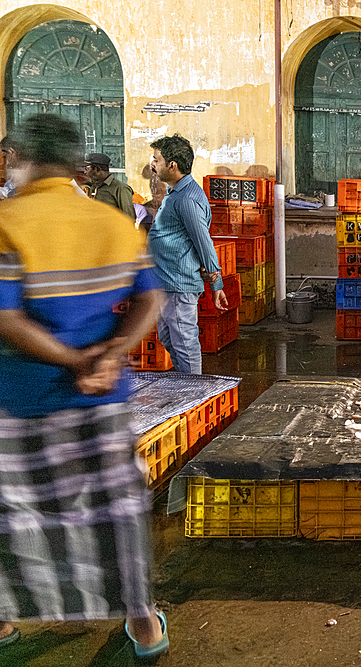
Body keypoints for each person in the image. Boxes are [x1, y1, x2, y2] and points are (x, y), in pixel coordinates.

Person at [0, 114, 168, 659]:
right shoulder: (112, 224)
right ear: (77, 166)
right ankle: (144, 626)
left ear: (19, 159)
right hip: (102, 397)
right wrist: (107, 355)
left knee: (18, 510)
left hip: (20, 398)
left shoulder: (6, 222)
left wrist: (72, 360)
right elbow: (151, 300)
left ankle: (5, 621)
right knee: (116, 508)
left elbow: (6, 319)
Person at [147, 134, 227, 374]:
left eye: (156, 159)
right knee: (168, 338)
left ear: (172, 165)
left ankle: (195, 394)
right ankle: (187, 384)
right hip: (166, 281)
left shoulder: (187, 199)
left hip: (178, 283)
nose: (152, 164)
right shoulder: (176, 193)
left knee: (185, 343)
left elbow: (203, 242)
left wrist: (217, 283)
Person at [85, 152, 136, 218]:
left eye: (87, 169)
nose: (85, 172)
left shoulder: (120, 188)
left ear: (97, 169)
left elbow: (129, 218)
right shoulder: (93, 187)